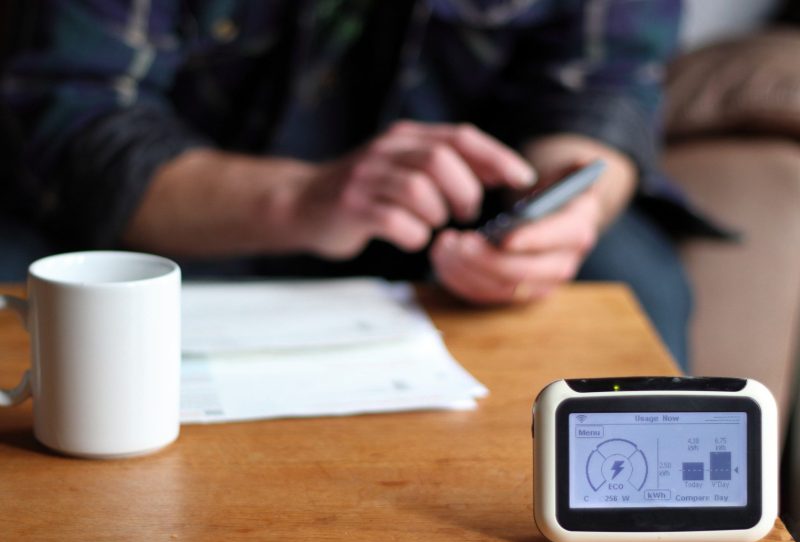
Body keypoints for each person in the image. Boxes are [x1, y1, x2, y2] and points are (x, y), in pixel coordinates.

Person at [1, 0, 702, 368]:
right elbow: (77, 115)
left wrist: (563, 208)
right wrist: (301, 201)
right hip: (186, 210)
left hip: (460, 225)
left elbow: (605, 87)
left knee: (632, 279)